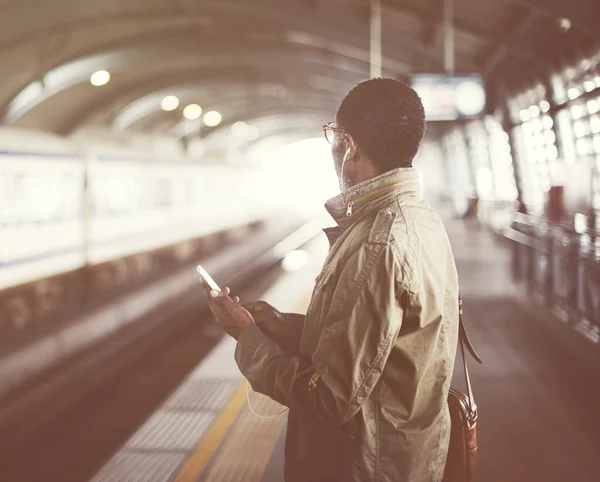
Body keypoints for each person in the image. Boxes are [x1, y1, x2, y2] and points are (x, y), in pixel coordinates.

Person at [200, 78, 460, 482]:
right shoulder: (420, 219)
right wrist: (282, 328)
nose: (333, 146)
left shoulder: (379, 243)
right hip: (403, 457)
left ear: (350, 145)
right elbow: (377, 348)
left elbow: (330, 398)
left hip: (364, 466)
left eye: (333, 135)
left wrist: (247, 339)